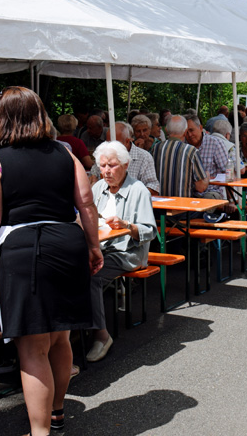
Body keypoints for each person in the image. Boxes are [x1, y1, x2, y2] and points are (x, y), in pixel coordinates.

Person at [0, 86, 103, 435]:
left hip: (24, 250)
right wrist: (94, 245)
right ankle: (56, 413)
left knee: (33, 347)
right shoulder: (65, 154)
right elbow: (86, 204)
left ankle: (39, 432)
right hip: (67, 244)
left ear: (1, 119)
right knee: (60, 338)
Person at [87, 141, 157, 362]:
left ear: (125, 165)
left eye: (112, 165)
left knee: (92, 277)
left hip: (127, 252)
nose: (106, 171)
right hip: (101, 248)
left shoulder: (138, 191)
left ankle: (101, 335)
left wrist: (126, 225)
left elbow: (150, 231)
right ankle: (73, 330)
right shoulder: (97, 188)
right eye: (103, 166)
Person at [90, 121, 161, 195]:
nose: (110, 147)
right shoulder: (104, 154)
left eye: (116, 144)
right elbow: (94, 171)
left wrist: (131, 195)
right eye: (108, 142)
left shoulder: (144, 157)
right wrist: (93, 178)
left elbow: (153, 188)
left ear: (127, 141)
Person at [153, 115, 208, 197]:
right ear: (185, 132)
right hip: (184, 207)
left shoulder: (156, 148)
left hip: (159, 206)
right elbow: (201, 187)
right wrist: (207, 176)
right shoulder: (191, 151)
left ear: (166, 130)